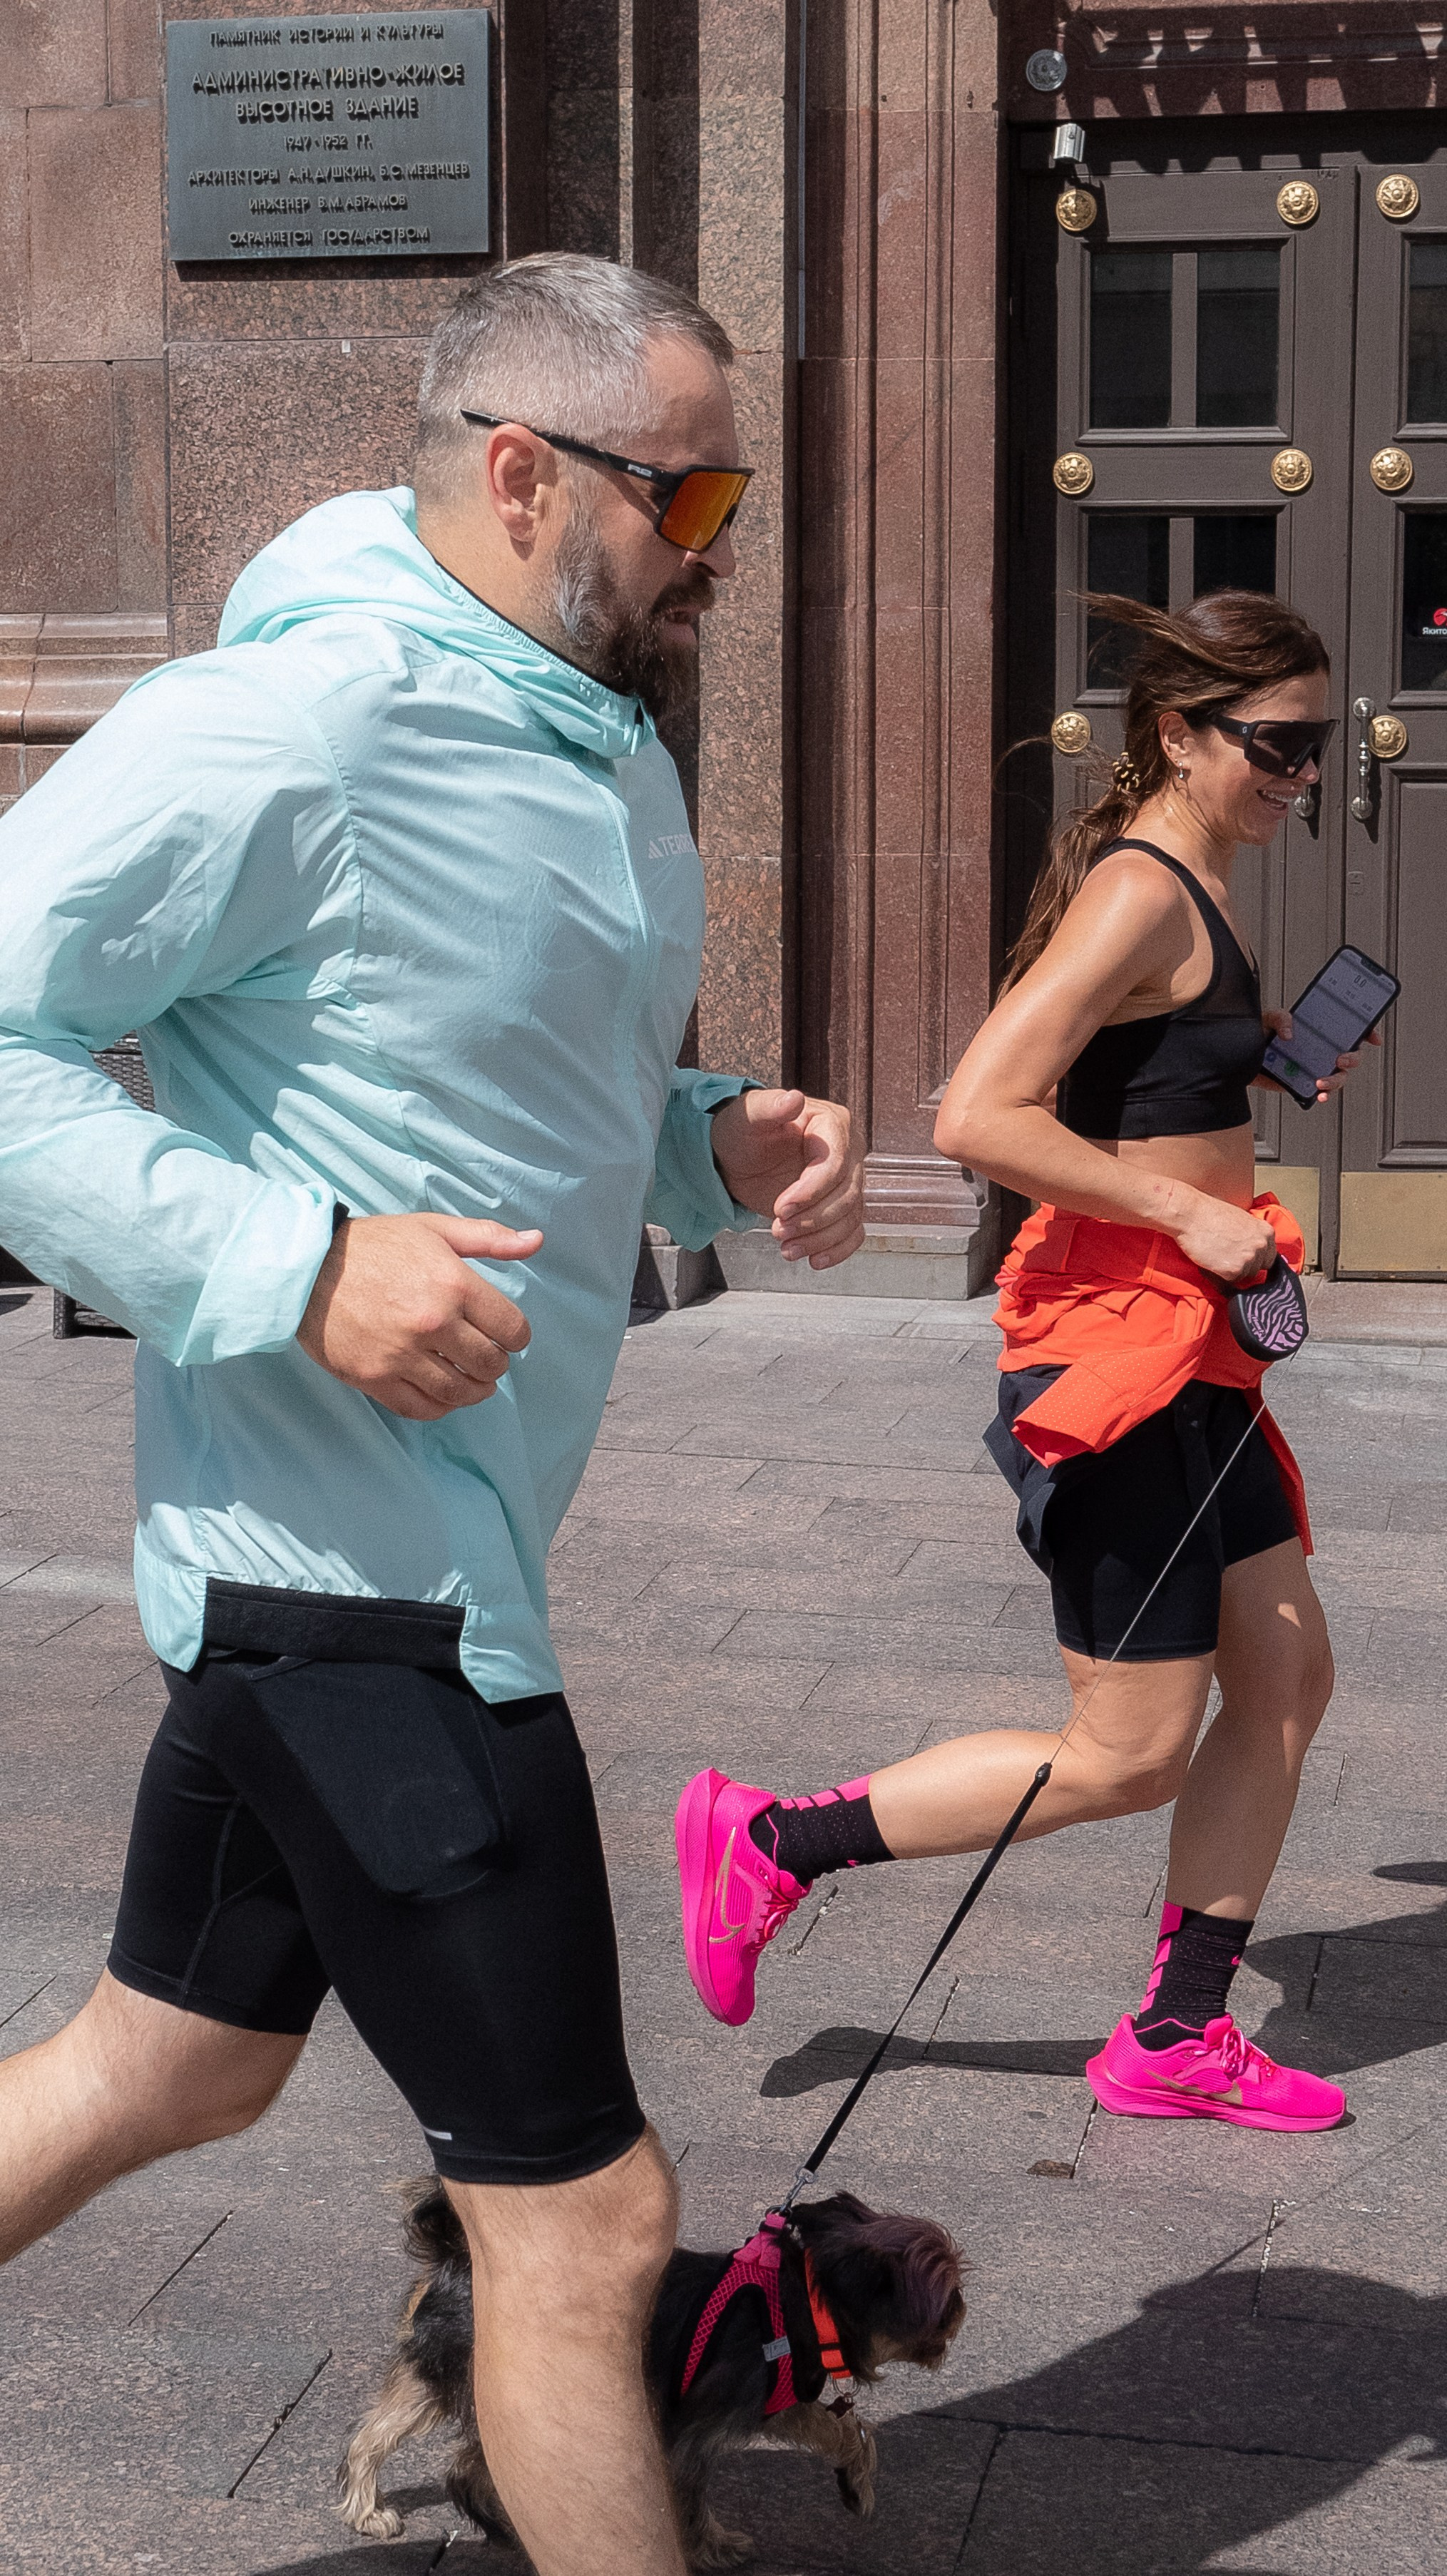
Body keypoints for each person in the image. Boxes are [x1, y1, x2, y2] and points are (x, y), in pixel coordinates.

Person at [0, 255, 863, 2576]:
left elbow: (493, 1074)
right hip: (360, 1597)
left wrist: (709, 1137)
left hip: (387, 1558)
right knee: (583, 2233)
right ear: (519, 469)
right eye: (691, 490)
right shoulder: (291, 724)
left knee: (159, 2066)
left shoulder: (571, 730)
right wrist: (295, 1265)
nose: (712, 544)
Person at [676, 588, 1374, 2136]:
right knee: (1127, 1753)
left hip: (1192, 1348)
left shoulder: (1200, 873)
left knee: (1283, 1670)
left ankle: (1177, 2033)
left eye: (1317, 743)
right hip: (1114, 1353)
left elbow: (1123, 1079)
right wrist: (1189, 1206)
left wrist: (1249, 1071)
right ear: (1181, 736)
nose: (1303, 772)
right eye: (1275, 744)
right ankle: (777, 1842)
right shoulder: (1143, 889)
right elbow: (976, 1114)